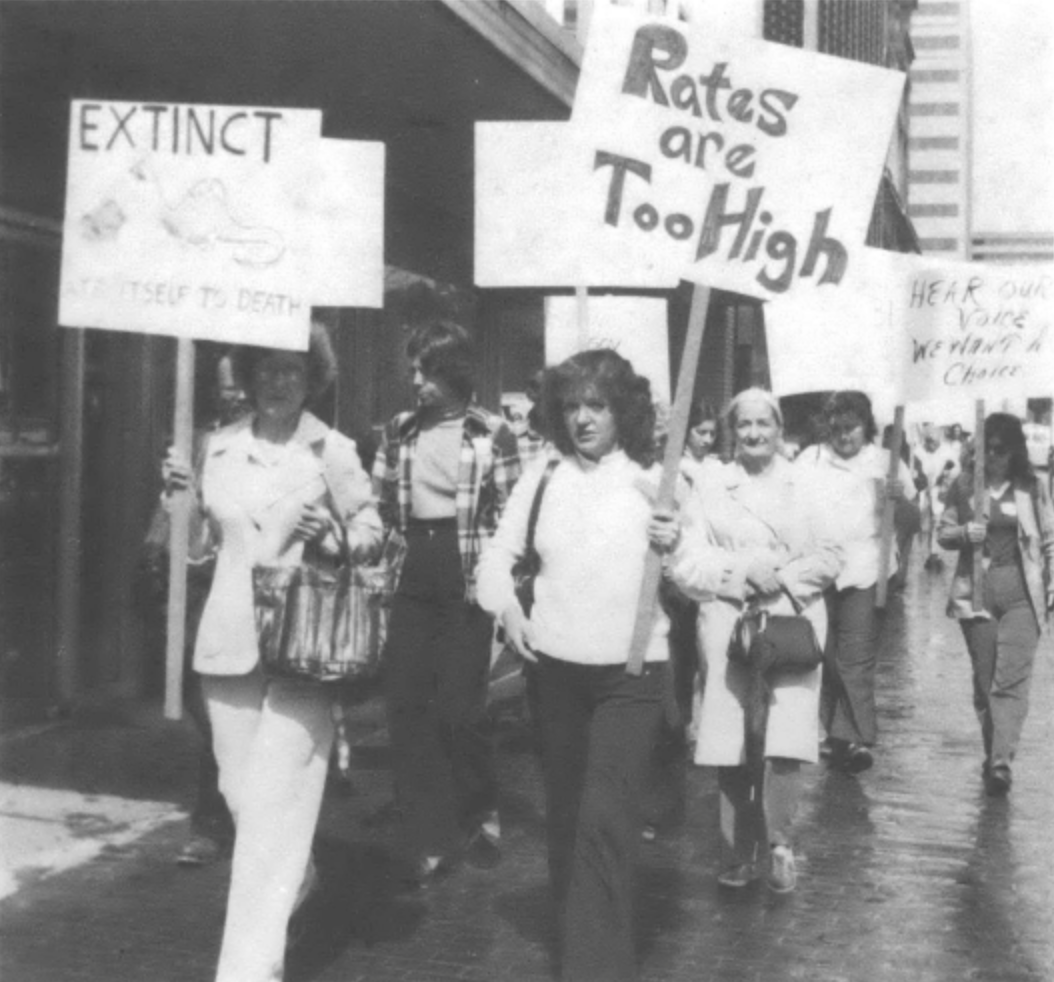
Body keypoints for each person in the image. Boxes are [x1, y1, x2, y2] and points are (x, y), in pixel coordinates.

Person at [162, 322, 382, 982]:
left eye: (293, 369)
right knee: (240, 794)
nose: (279, 380)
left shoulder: (331, 449)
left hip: (303, 646)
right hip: (228, 641)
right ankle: (303, 874)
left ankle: (249, 969)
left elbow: (371, 532)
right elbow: (197, 546)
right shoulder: (215, 448)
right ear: (249, 375)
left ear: (312, 377)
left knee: (272, 807)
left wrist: (339, 534)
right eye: (268, 368)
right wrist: (178, 497)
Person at [477, 349, 678, 982]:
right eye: (571, 406)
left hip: (632, 673)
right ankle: (581, 941)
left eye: (597, 405)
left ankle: (595, 969)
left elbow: (699, 574)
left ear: (624, 410)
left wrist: (680, 546)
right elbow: (495, 558)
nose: (583, 419)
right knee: (567, 815)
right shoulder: (543, 474)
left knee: (603, 818)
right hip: (554, 671)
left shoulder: (657, 477)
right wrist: (507, 609)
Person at [667, 388, 843, 893]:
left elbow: (832, 554)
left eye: (764, 423)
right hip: (729, 616)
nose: (754, 434)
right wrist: (744, 571)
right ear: (731, 430)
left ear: (780, 427)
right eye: (743, 424)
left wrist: (782, 579)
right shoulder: (711, 486)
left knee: (786, 733)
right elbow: (688, 560)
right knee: (730, 736)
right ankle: (738, 850)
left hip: (793, 618)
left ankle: (780, 843)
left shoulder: (806, 483)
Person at [372, 320, 521, 884]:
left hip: (466, 576)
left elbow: (511, 514)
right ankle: (428, 832)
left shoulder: (493, 433)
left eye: (425, 371)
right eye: (412, 370)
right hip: (413, 570)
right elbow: (382, 505)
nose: (415, 381)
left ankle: (480, 811)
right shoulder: (399, 430)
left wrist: (503, 587)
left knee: (461, 710)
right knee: (407, 705)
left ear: (452, 372)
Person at [798, 392, 918, 774]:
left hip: (866, 569)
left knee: (855, 658)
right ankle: (836, 732)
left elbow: (913, 520)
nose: (843, 436)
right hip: (816, 570)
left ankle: (856, 737)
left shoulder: (885, 463)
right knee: (827, 656)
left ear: (866, 426)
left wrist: (899, 501)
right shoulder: (810, 459)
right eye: (836, 428)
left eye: (851, 428)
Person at [937, 413, 1054, 796]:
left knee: (1012, 682)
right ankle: (994, 754)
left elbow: (1049, 540)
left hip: (1023, 593)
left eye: (1001, 450)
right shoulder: (965, 485)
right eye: (986, 448)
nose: (993, 456)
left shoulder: (1032, 487)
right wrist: (963, 532)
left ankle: (1002, 761)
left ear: (1015, 451)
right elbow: (943, 535)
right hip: (977, 591)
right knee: (985, 684)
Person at [917, 423, 960, 570]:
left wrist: (946, 477)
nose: (931, 444)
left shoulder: (947, 452)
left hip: (940, 493)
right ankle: (927, 554)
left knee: (937, 523)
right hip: (924, 493)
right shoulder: (920, 451)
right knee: (924, 526)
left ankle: (936, 555)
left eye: (934, 441)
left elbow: (955, 470)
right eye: (928, 441)